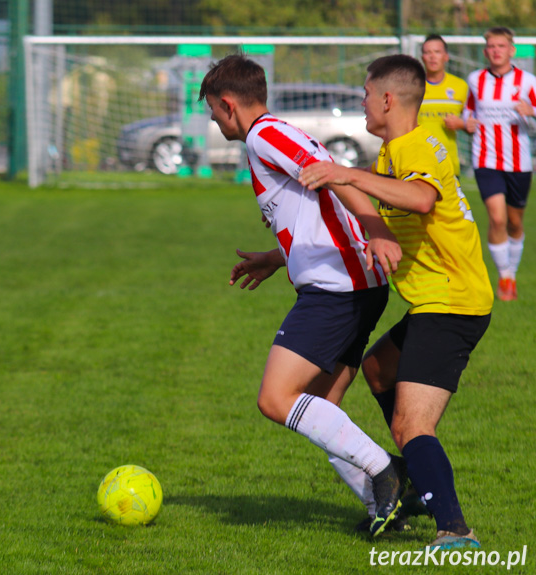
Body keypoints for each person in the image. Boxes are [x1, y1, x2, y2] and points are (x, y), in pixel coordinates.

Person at [198, 54, 408, 537]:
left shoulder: (263, 135)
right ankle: (388, 508)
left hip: (337, 287)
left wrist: (376, 231)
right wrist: (276, 258)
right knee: (319, 405)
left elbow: (335, 175)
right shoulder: (270, 135)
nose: (213, 119)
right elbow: (315, 205)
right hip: (350, 283)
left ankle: (389, 473)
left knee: (276, 398)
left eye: (212, 110)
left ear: (229, 105)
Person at [299, 54, 493, 549]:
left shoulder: (421, 145)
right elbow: (368, 206)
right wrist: (279, 255)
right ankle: (414, 479)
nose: (362, 103)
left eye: (365, 94)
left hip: (453, 303)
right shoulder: (391, 155)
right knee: (379, 370)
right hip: (435, 301)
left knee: (412, 422)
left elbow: (422, 200)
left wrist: (348, 173)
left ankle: (454, 529)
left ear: (388, 99)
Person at [464, 26, 536, 301]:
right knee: (497, 218)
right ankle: (504, 276)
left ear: (511, 50)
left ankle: (512, 274)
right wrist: (467, 124)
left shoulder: (528, 81)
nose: (496, 51)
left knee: (515, 223)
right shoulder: (475, 80)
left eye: (501, 46)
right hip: (486, 160)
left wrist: (532, 110)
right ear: (485, 51)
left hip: (519, 163)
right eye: (491, 46)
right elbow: (468, 114)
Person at [419, 34, 469, 177]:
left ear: (446, 56)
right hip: (418, 164)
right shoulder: (414, 87)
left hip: (449, 165)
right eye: (428, 53)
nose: (432, 57)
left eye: (437, 52)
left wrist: (461, 124)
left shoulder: (460, 86)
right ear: (422, 57)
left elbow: (473, 125)